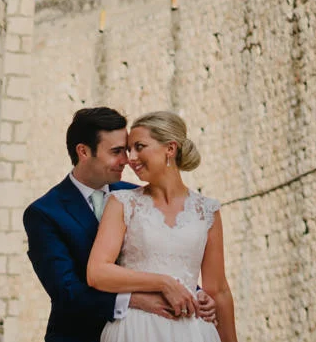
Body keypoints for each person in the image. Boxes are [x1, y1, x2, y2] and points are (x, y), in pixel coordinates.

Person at [24, 107, 216, 341]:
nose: (127, 160)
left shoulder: (134, 196)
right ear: (83, 152)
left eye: (128, 149)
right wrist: (136, 300)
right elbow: (67, 291)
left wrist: (193, 293)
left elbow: (160, 250)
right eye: (117, 152)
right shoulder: (44, 213)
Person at [87, 111, 238, 342]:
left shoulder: (207, 211)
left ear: (170, 149)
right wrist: (163, 282)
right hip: (136, 328)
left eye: (139, 147)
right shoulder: (122, 203)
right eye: (129, 150)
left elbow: (218, 290)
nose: (131, 158)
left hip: (193, 331)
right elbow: (98, 272)